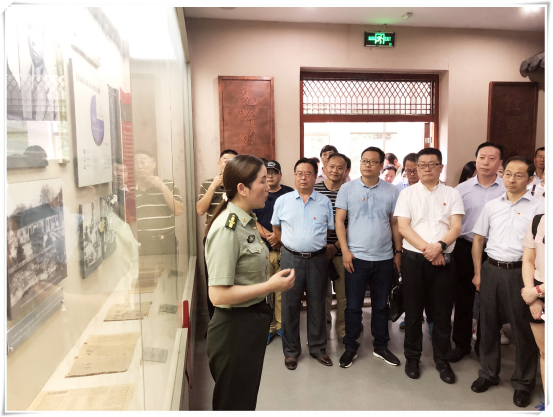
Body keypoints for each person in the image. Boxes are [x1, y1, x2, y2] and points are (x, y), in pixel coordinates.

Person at [205, 155, 295, 410]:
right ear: (242, 189)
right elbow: (218, 296)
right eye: (262, 181)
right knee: (233, 402)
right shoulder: (228, 228)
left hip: (250, 321)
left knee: (244, 398)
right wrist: (270, 286)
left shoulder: (248, 221)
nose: (268, 187)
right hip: (234, 327)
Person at [470, 156, 544, 408]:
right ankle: (488, 373)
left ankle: (523, 383)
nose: (511, 179)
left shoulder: (540, 208)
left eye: (518, 175)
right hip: (491, 269)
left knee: (523, 329)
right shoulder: (492, 205)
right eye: (508, 174)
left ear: (530, 179)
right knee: (488, 325)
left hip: (521, 273)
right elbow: (479, 239)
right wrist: (478, 272)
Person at [394, 148, 465, 384]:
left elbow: (456, 227)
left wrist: (440, 246)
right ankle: (412, 358)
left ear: (440, 167)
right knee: (413, 312)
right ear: (416, 168)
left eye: (431, 164)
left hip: (444, 260)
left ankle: (442, 360)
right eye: (421, 165)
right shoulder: (407, 194)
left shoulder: (452, 193)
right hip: (414, 260)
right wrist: (430, 250)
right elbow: (403, 227)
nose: (426, 169)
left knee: (442, 313)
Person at [335, 147, 402, 368]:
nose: (367, 165)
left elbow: (394, 222)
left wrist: (398, 251)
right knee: (353, 306)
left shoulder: (392, 191)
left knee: (381, 306)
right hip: (356, 258)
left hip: (384, 258)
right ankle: (351, 346)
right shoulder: (347, 189)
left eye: (373, 162)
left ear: (381, 165)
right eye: (364, 161)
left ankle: (381, 346)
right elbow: (339, 221)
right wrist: (345, 251)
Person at [271, 158, 335, 370]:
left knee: (317, 304)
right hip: (291, 259)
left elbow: (328, 230)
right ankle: (291, 352)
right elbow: (276, 229)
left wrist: (311, 243)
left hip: (318, 259)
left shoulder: (324, 202)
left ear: (316, 176)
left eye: (308, 173)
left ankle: (318, 348)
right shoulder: (283, 201)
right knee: (290, 305)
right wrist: (292, 245)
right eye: (299, 173)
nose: (303, 177)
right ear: (294, 175)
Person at [450, 143, 506, 363]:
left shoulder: (506, 189)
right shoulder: (461, 189)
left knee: (490, 302)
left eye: (492, 158)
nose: (485, 162)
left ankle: (485, 346)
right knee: (463, 298)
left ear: (500, 162)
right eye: (482, 157)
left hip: (495, 250)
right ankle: (461, 344)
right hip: (465, 248)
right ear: (476, 159)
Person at [252, 160, 293, 344]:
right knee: (264, 291)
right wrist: (270, 236)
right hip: (262, 250)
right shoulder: (258, 192)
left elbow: (293, 219)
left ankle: (281, 325)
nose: (270, 176)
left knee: (282, 292)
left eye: (274, 172)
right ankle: (268, 327)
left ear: (280, 175)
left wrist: (279, 237)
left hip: (284, 249)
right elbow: (251, 219)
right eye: (267, 172)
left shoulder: (289, 194)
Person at [197, 149, 238, 319]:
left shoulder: (240, 184)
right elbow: (200, 210)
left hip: (235, 237)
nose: (228, 164)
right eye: (225, 160)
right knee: (213, 280)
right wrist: (213, 186)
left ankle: (234, 320)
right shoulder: (208, 184)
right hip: (212, 238)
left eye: (232, 161)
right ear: (219, 163)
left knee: (234, 278)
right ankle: (215, 321)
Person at [314, 153, 348, 343]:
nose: (335, 170)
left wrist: (335, 246)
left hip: (343, 251)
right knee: (319, 295)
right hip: (318, 252)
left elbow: (355, 222)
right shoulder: (314, 190)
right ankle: (321, 331)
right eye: (331, 166)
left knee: (343, 296)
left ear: (346, 170)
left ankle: (342, 332)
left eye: (340, 167)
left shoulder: (349, 191)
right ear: (324, 168)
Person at [133, 150, 183, 256]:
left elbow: (178, 210)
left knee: (169, 267)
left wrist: (162, 187)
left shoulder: (168, 184)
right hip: (141, 242)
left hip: (166, 241)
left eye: (143, 162)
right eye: (135, 163)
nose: (139, 166)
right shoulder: (130, 189)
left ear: (153, 164)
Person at [521, 214, 546, 411]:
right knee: (545, 352)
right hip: (537, 291)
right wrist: (532, 295)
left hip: (540, 290)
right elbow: (529, 259)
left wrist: (536, 292)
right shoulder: (538, 220)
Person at [20, 22, 57, 121]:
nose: (32, 47)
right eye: (30, 42)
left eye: (35, 42)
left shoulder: (54, 85)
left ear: (44, 42)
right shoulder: (23, 83)